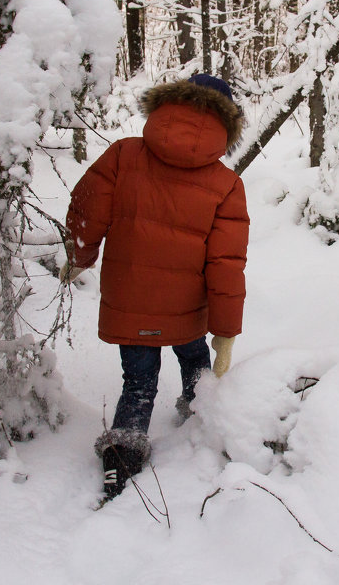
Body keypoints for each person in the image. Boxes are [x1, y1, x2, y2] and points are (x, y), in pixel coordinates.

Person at [61, 73, 249, 500]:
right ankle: (201, 417)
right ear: (226, 125)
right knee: (195, 357)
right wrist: (225, 330)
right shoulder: (226, 184)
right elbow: (226, 264)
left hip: (131, 300)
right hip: (187, 309)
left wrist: (78, 256)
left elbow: (86, 210)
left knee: (139, 379)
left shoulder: (124, 155)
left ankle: (122, 455)